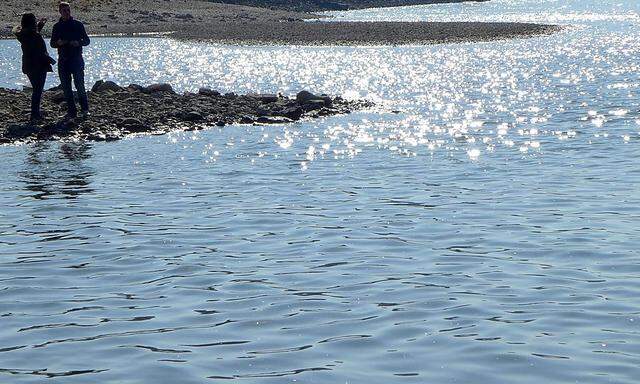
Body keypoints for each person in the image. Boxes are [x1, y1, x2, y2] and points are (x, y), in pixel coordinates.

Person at [50, 1, 90, 119]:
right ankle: (72, 111)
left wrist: (78, 43)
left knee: (80, 85)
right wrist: (58, 43)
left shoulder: (78, 25)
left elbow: (87, 41)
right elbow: (52, 43)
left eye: (68, 10)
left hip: (76, 59)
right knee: (66, 88)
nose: (67, 13)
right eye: (64, 11)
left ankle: (85, 109)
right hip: (63, 60)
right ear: (60, 12)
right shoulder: (56, 27)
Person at [13, 13, 54, 122]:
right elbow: (40, 51)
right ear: (32, 23)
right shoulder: (35, 35)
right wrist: (50, 60)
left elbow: (32, 34)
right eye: (34, 20)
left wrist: (40, 24)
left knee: (36, 89)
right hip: (39, 65)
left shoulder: (21, 34)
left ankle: (35, 113)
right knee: (38, 90)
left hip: (28, 66)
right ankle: (35, 114)